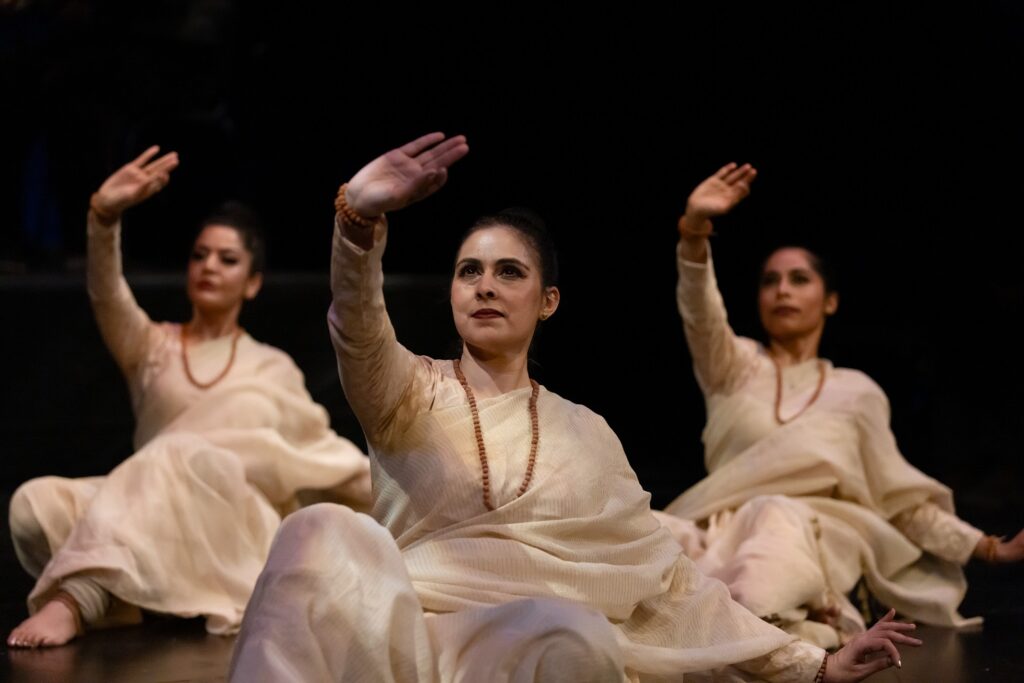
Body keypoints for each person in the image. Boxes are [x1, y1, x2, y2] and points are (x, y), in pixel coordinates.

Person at [229, 133, 919, 682]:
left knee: (577, 633)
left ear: (547, 301)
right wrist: (358, 223)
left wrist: (814, 666)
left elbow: (671, 584)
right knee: (318, 529)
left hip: (514, 649)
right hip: (399, 638)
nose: (486, 286)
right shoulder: (410, 390)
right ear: (451, 294)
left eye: (510, 272)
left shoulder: (587, 432)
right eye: (470, 271)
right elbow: (356, 325)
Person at [7, 146, 371, 648]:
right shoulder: (152, 346)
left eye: (228, 259)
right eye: (200, 255)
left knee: (177, 452)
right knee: (34, 502)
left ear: (253, 282)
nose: (209, 266)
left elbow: (320, 453)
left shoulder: (273, 366)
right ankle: (146, 585)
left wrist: (397, 506)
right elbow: (107, 294)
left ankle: (79, 598)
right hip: (142, 511)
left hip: (233, 527)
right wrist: (103, 218)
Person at [653, 162, 1024, 648]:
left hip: (810, 532)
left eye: (799, 279)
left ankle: (763, 629)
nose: (782, 289)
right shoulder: (735, 367)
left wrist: (989, 549)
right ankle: (794, 630)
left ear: (829, 301)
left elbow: (899, 498)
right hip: (718, 530)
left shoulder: (857, 392)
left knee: (773, 518)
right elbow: (701, 314)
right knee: (638, 532)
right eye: (770, 281)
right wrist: (694, 233)